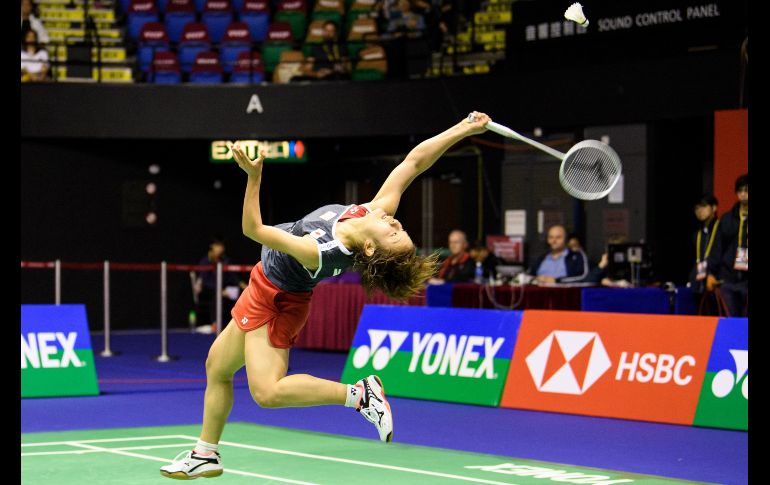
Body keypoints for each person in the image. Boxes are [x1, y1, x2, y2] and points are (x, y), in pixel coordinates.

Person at [160, 111, 492, 479]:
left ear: (369, 248)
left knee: (267, 392)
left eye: (394, 234)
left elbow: (253, 229)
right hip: (263, 282)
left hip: (278, 300)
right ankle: (206, 454)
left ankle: (359, 395)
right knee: (217, 367)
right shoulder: (373, 213)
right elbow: (415, 162)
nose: (396, 223)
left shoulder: (322, 252)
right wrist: (464, 128)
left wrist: (253, 178)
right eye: (401, 229)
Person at [707, 174, 748, 317]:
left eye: (746, 190)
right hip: (728, 278)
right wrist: (711, 273)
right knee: (730, 320)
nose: (743, 194)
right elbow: (717, 247)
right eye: (740, 191)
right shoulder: (726, 219)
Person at [193, 238, 244, 333]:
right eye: (218, 246)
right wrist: (220, 290)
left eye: (221, 246)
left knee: (242, 294)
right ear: (212, 246)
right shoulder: (205, 261)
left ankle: (240, 322)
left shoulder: (225, 260)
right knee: (216, 296)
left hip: (225, 290)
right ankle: (215, 324)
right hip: (210, 290)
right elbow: (205, 281)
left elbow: (233, 277)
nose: (220, 249)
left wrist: (243, 286)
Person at [688, 195, 719, 309]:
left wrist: (713, 274)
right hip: (699, 283)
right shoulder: (697, 234)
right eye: (697, 208)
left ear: (714, 208)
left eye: (704, 206)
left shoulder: (722, 229)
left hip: (717, 281)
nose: (700, 210)